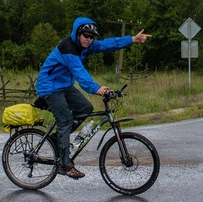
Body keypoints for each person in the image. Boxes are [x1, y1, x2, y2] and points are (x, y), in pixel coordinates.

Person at [35, 17, 151, 179]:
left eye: (92, 36)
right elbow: (79, 72)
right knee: (66, 119)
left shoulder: (85, 46)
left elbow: (107, 44)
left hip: (63, 85)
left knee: (85, 108)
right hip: (49, 86)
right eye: (86, 35)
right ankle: (64, 165)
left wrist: (132, 39)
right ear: (78, 33)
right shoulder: (68, 47)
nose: (89, 39)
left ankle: (57, 138)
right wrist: (95, 88)